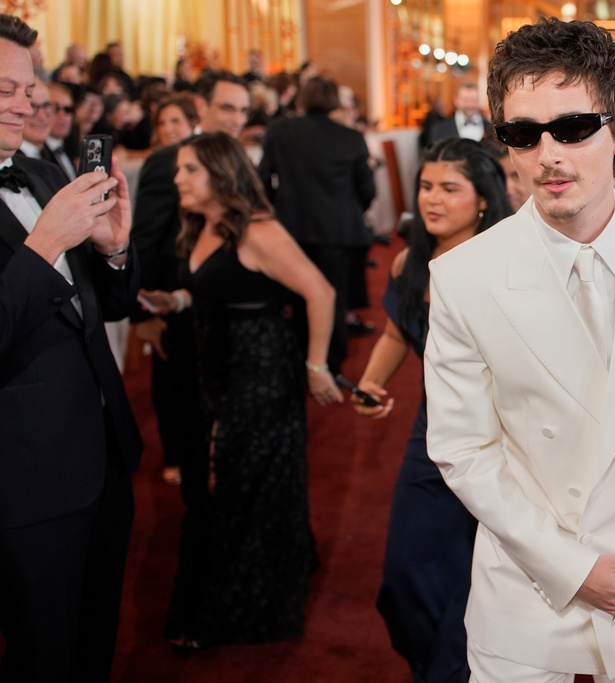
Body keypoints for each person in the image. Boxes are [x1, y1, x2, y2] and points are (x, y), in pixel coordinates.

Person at [424, 18, 615, 682]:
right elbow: (463, 448)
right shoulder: (462, 275)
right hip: (528, 584)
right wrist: (573, 568)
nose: (546, 156)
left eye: (571, 128)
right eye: (522, 133)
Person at [147, 132, 341, 647]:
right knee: (226, 476)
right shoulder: (202, 223)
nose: (177, 179)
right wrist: (180, 301)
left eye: (189, 169)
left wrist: (316, 366)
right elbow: (224, 284)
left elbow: (320, 291)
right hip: (216, 365)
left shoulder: (259, 229)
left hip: (260, 368)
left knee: (234, 476)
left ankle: (242, 603)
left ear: (220, 173)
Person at [0, 13, 143, 681]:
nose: (25, 104)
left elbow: (100, 309)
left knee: (94, 641)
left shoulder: (34, 173)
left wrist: (113, 250)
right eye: (4, 88)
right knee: (41, 655)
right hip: (25, 478)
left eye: (26, 88)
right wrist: (43, 245)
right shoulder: (39, 200)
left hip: (101, 453)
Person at [353, 137, 511, 682]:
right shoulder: (409, 262)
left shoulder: (508, 264)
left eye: (450, 188)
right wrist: (371, 381)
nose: (432, 199)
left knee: (478, 583)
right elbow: (401, 332)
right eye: (425, 187)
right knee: (405, 576)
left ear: (483, 198)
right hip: (432, 438)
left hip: (503, 445)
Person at [132, 71, 249, 495]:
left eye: (243, 109)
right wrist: (138, 315)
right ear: (203, 108)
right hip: (177, 307)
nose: (236, 118)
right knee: (182, 398)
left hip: (230, 309)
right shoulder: (168, 162)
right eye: (226, 108)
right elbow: (142, 240)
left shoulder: (240, 158)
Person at [258, 75, 376, 373]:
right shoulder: (350, 137)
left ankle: (299, 359)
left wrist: (279, 207)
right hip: (338, 231)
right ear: (335, 101)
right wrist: (349, 210)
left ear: (301, 99)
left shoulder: (280, 130)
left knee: (298, 297)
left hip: (291, 228)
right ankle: (329, 363)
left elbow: (262, 179)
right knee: (331, 297)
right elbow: (367, 190)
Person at [420, 83, 492, 147]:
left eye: (474, 100)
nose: (470, 105)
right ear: (456, 100)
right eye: (465, 100)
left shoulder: (491, 129)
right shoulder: (439, 129)